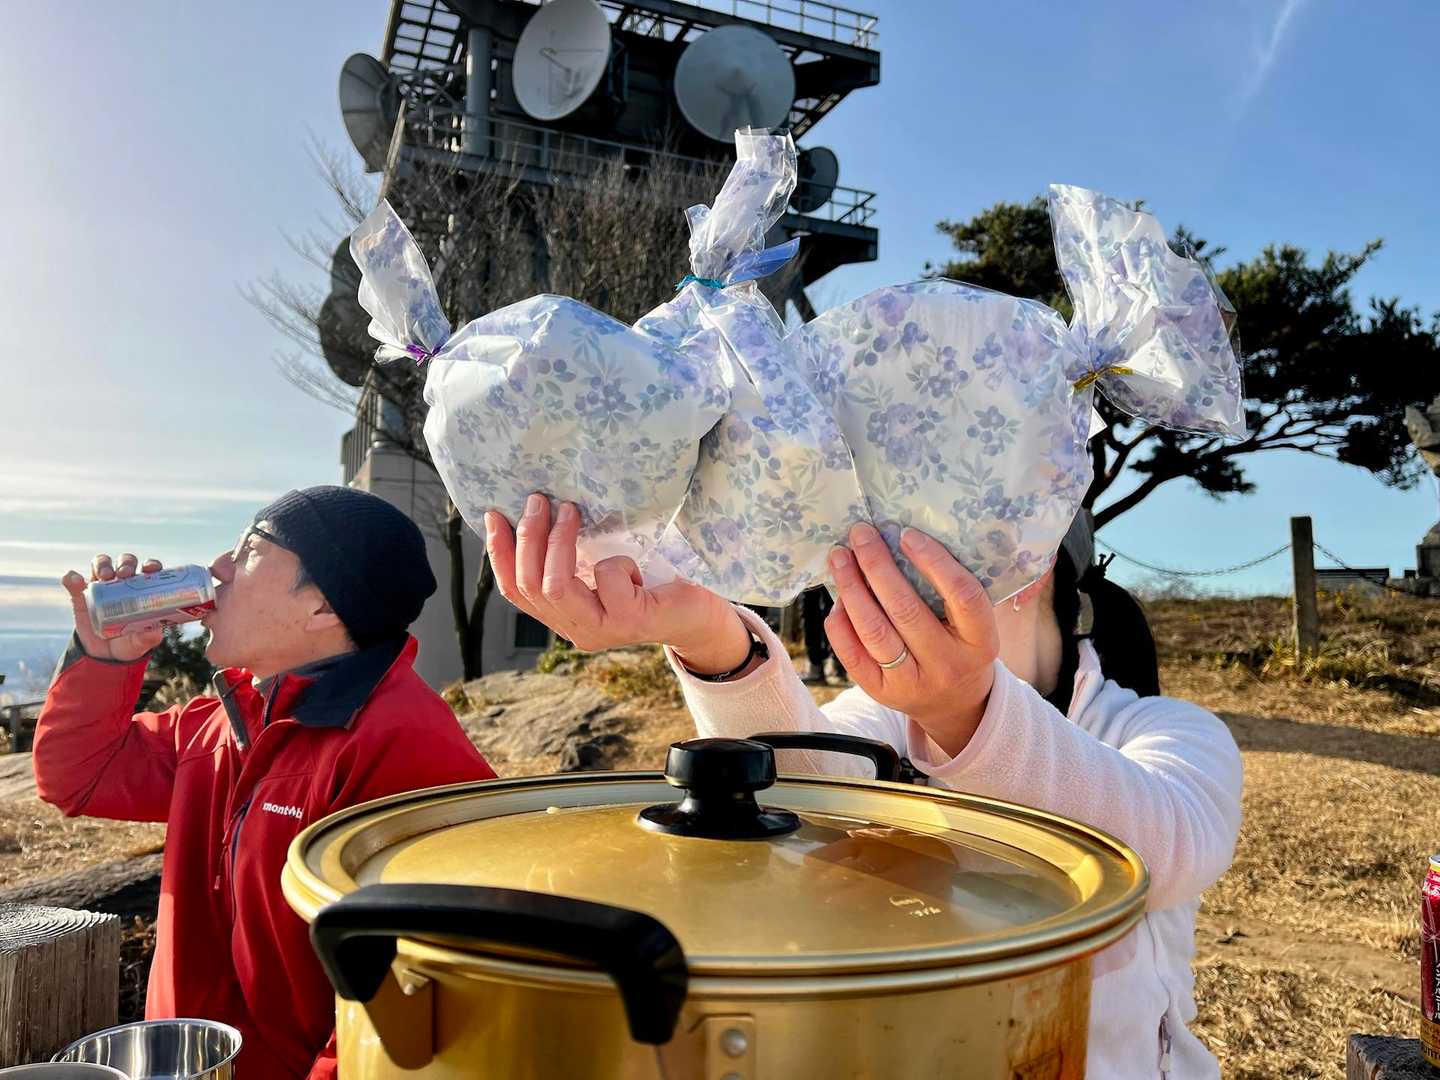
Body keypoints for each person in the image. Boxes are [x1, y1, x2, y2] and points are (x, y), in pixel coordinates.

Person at [485, 493, 1242, 1080]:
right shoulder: (880, 718)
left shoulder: (1162, 729)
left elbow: (1166, 847)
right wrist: (707, 634)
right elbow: (808, 794)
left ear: (1033, 557)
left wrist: (966, 710)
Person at [33, 486, 497, 1080]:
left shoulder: (404, 744)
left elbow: (410, 988)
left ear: (322, 607)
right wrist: (105, 659)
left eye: (249, 551)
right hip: (183, 1063)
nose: (218, 569)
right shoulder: (225, 720)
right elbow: (75, 777)